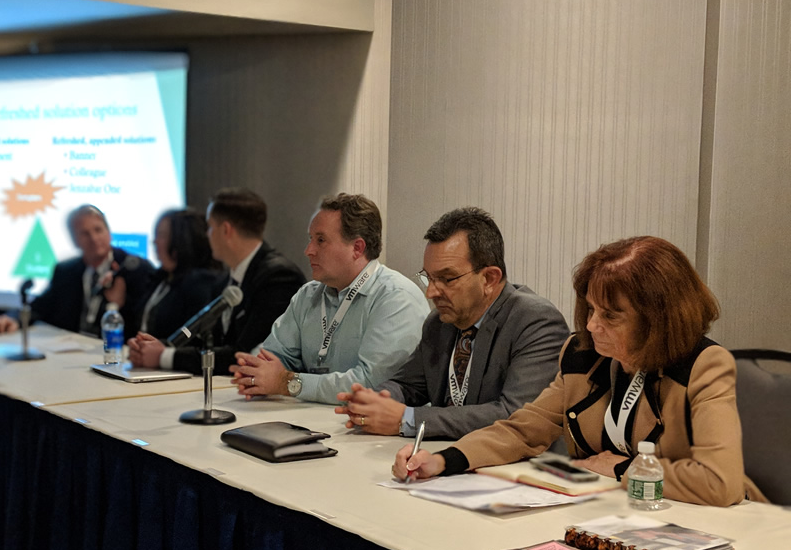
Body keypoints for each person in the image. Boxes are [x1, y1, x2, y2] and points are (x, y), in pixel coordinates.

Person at [393, 236, 766, 507]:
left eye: (610, 315)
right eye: (590, 310)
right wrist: (445, 460)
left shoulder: (703, 366)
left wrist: (623, 468)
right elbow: (522, 431)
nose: (591, 325)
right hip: (609, 514)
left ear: (657, 320)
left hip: (704, 527)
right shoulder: (582, 356)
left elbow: (720, 483)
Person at [335, 207, 569, 438]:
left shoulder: (535, 322)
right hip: (439, 454)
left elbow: (516, 415)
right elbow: (408, 385)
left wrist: (408, 419)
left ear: (489, 278)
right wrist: (374, 401)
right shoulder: (439, 322)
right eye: (428, 278)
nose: (431, 292)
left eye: (447, 279)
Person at [230, 193, 429, 404]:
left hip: (369, 422)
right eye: (310, 239)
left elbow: (372, 385)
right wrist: (256, 371)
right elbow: (275, 355)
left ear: (357, 248)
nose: (308, 250)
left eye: (321, 240)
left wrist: (288, 383)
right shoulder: (308, 295)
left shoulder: (396, 297)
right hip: (311, 417)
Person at [128, 187, 305, 374]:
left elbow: (246, 354)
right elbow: (207, 340)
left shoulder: (278, 278)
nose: (207, 235)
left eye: (210, 227)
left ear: (226, 230)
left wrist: (165, 356)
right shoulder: (226, 280)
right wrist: (159, 347)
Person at [0, 204, 155, 339]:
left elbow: (145, 323)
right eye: (85, 234)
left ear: (109, 232)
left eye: (98, 230)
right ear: (74, 240)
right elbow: (40, 307)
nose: (94, 238)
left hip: (115, 354)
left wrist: (119, 305)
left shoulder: (134, 269)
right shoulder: (65, 271)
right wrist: (14, 318)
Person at [132, 208, 224, 340]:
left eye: (161, 235)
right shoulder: (160, 278)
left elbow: (191, 333)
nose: (155, 241)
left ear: (180, 241)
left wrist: (164, 348)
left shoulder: (199, 283)